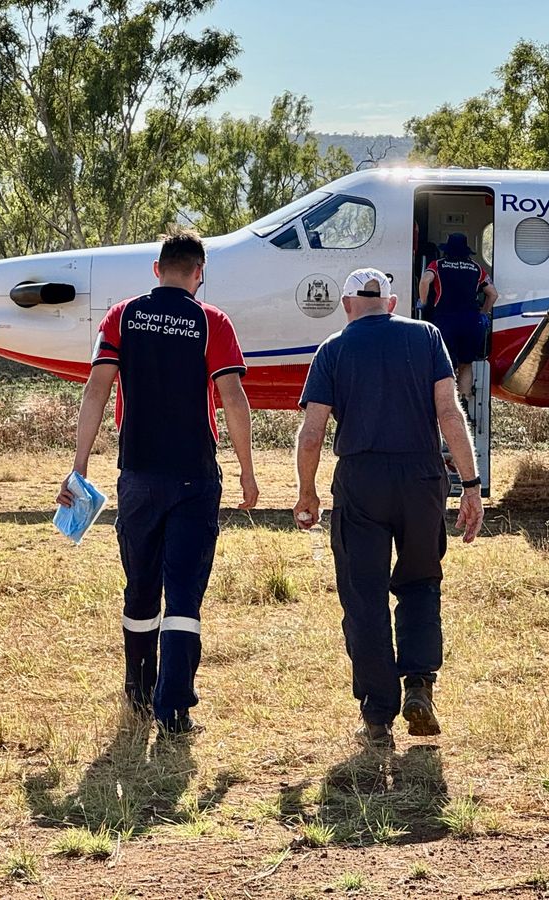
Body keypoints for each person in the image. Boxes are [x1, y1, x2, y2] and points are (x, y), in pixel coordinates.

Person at [57, 229, 258, 737]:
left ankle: (138, 692)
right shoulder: (212, 322)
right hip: (194, 475)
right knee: (184, 594)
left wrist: (78, 468)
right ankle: (174, 709)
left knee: (141, 589)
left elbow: (96, 392)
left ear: (156, 269)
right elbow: (233, 400)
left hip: (138, 475)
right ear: (199, 274)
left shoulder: (122, 317)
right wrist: (247, 470)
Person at [294, 267, 484, 750]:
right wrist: (471, 483)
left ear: (348, 305)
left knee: (364, 595)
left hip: (361, 480)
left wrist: (307, 491)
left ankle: (378, 715)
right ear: (393, 303)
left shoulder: (333, 349)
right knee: (421, 581)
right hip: (422, 478)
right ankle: (419, 684)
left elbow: (312, 431)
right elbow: (449, 412)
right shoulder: (426, 337)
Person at [416, 232, 499, 405]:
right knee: (466, 363)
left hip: (445, 320)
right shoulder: (477, 269)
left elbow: (425, 280)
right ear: (466, 251)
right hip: (470, 321)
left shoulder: (437, 265)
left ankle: (445, 403)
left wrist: (423, 302)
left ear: (446, 250)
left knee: (445, 364)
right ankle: (464, 401)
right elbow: (493, 294)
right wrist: (483, 313)